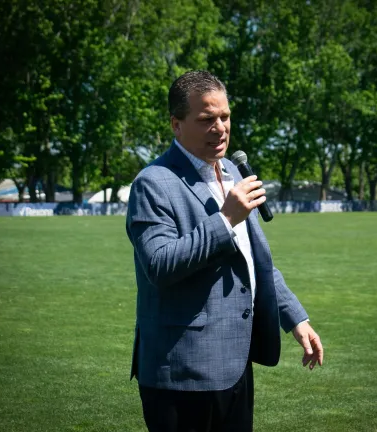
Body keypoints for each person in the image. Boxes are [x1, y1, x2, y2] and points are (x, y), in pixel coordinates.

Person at [126, 70, 323, 432]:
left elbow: (254, 263)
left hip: (234, 363)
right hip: (181, 373)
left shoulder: (233, 171)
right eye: (206, 119)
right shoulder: (152, 183)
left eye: (225, 116)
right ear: (176, 124)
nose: (220, 128)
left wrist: (295, 318)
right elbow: (159, 264)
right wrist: (226, 218)